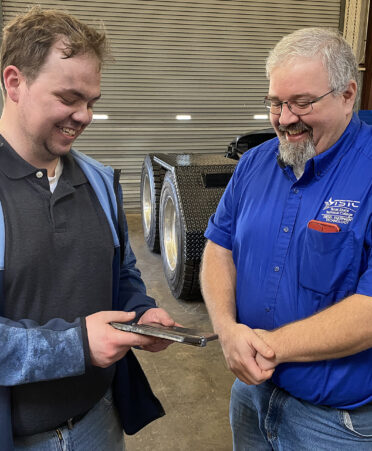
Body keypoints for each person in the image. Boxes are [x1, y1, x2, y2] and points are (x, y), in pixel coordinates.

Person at [0, 6, 176, 451]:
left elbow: (121, 274)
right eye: (68, 98)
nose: (84, 116)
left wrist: (141, 312)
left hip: (99, 421)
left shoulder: (98, 180)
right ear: (14, 82)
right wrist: (75, 345)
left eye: (91, 102)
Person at [201, 27, 372, 450]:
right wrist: (226, 330)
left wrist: (269, 346)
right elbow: (219, 248)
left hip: (334, 424)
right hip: (251, 395)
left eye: (302, 102)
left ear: (348, 95)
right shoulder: (254, 164)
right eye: (276, 102)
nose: (285, 118)